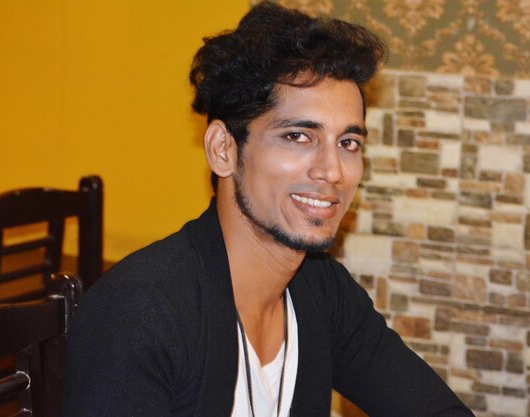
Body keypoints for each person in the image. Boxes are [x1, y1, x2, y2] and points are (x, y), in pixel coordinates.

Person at [61, 2, 474, 416]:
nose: (332, 171)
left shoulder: (319, 288)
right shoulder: (141, 313)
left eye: (348, 143)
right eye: (297, 136)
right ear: (223, 149)